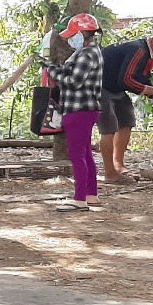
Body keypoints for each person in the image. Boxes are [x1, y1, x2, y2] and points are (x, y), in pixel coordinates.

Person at [98, 27, 153, 183]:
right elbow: (126, 80)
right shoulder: (138, 50)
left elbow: (142, 82)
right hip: (99, 87)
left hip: (115, 88)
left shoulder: (148, 56)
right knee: (108, 128)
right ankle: (109, 173)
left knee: (126, 120)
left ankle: (119, 164)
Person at [43, 13, 104, 212]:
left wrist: (52, 72)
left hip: (79, 109)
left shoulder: (87, 54)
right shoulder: (88, 52)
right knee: (85, 154)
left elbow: (74, 81)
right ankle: (90, 195)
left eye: (73, 35)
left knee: (77, 155)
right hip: (85, 109)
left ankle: (79, 200)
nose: (70, 39)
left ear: (83, 34)